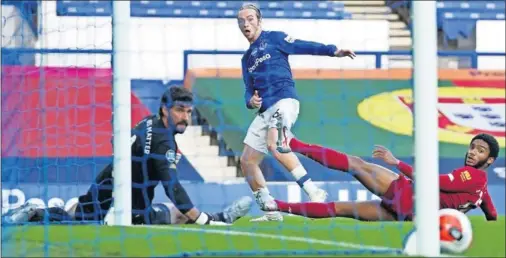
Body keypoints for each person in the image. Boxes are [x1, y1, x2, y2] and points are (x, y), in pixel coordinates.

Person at [3, 87, 252, 226]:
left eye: (188, 111)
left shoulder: (149, 122)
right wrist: (201, 220)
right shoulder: (164, 140)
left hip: (107, 188)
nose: (185, 117)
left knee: (78, 214)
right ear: (165, 110)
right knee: (175, 214)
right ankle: (218, 219)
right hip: (126, 207)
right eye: (179, 111)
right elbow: (173, 186)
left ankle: (40, 210)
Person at [237, 3, 356, 222]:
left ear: (259, 20)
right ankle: (271, 211)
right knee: (246, 160)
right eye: (241, 21)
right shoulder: (246, 60)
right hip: (264, 111)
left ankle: (314, 192)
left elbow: (302, 46)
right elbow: (247, 90)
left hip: (284, 101)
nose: (246, 23)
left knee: (275, 145)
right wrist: (250, 101)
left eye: (250, 18)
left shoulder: (275, 39)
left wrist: (333, 51)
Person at [261, 133, 498, 222]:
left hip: (407, 194)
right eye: (472, 147)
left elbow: (433, 181)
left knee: (356, 164)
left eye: (480, 150)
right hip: (408, 215)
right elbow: (492, 213)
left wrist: (397, 163)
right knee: (342, 209)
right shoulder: (482, 188)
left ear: (489, 161)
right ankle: (277, 205)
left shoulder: (471, 176)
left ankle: (292, 143)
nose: (472, 152)